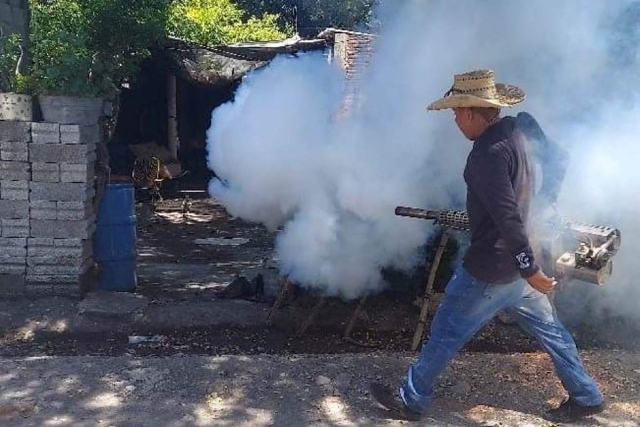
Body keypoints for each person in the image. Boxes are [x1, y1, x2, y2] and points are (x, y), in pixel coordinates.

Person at [370, 70, 605, 423]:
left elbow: (506, 217)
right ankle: (587, 395)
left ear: (469, 112)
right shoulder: (518, 128)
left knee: (446, 330)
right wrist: (545, 203)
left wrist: (529, 268)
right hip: (520, 269)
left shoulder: (485, 155)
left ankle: (410, 401)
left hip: (494, 268)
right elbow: (559, 159)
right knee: (552, 332)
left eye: (455, 114)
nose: (454, 121)